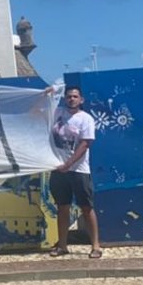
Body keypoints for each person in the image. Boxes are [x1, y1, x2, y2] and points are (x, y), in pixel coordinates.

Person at [49, 86, 102, 259]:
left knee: (86, 207)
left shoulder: (86, 119)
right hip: (58, 170)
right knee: (62, 207)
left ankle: (95, 245)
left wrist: (69, 164)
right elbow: (39, 109)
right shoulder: (57, 113)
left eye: (75, 96)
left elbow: (85, 144)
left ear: (81, 99)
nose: (72, 99)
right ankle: (62, 245)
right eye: (69, 96)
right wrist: (47, 93)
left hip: (79, 170)